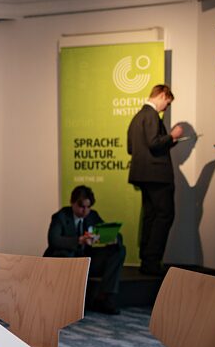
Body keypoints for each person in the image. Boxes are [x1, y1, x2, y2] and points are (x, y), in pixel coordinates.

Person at [127, 84, 183, 276]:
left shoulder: (137, 117)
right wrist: (172, 136)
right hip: (158, 177)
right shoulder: (151, 115)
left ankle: (146, 259)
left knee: (150, 216)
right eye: (167, 103)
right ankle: (152, 260)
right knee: (164, 215)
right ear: (161, 95)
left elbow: (131, 148)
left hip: (142, 175)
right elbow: (153, 143)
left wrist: (168, 141)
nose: (166, 108)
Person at [44, 186, 126, 315]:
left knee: (118, 250)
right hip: (64, 258)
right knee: (66, 255)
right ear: (72, 202)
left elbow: (107, 230)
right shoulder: (60, 216)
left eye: (88, 207)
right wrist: (79, 240)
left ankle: (106, 298)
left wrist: (114, 238)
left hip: (86, 259)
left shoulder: (92, 215)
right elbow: (54, 240)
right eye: (81, 206)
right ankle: (68, 303)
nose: (85, 211)